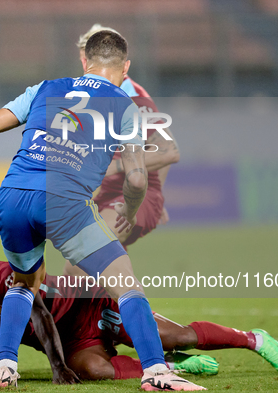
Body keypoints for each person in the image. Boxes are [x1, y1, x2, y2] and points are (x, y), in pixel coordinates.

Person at [0, 31, 204, 391]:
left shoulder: (46, 88)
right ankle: (156, 372)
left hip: (12, 196)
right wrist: (131, 207)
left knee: (24, 283)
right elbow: (138, 179)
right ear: (125, 67)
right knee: (126, 285)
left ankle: (5, 367)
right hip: (62, 201)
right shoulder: (124, 106)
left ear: (84, 62)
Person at [0, 259, 278, 383]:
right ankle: (172, 367)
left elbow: (38, 312)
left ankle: (254, 340)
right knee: (96, 371)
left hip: (90, 303)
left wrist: (57, 366)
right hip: (75, 340)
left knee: (176, 335)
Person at [64, 24, 178, 280]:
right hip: (103, 196)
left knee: (82, 262)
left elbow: (168, 150)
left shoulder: (134, 97)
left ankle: (139, 316)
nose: (89, 65)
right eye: (86, 58)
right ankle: (120, 316)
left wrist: (157, 197)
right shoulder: (89, 96)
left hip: (132, 195)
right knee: (87, 273)